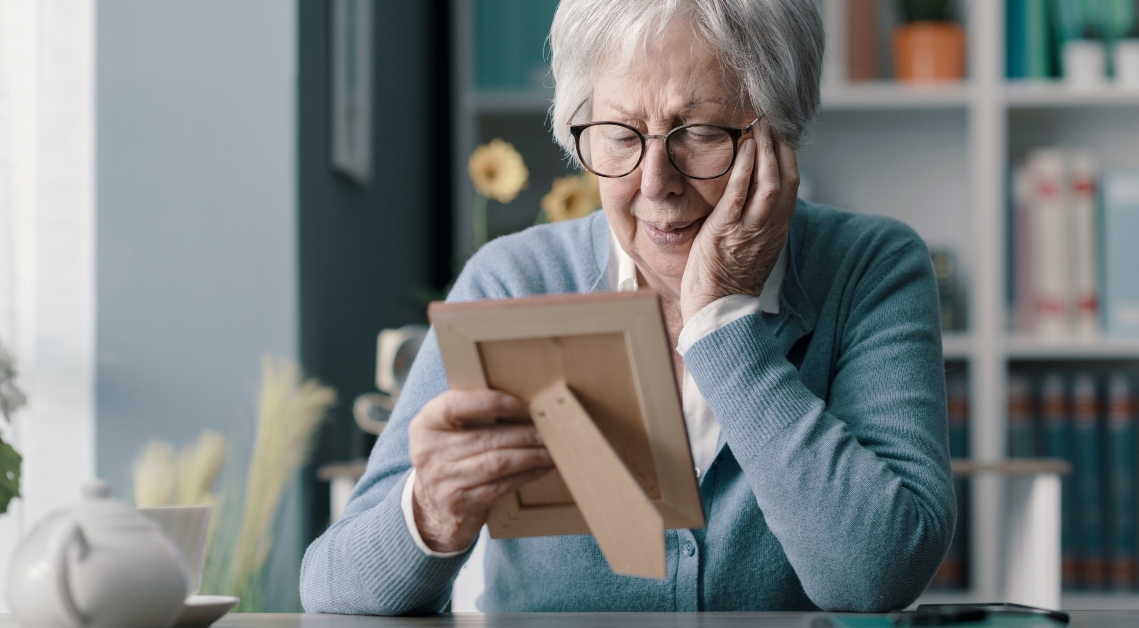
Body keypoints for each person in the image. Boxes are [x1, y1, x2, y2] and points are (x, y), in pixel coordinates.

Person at [301, 0, 954, 614]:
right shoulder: (514, 281)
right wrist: (431, 514)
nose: (655, 184)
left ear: (778, 133)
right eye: (619, 134)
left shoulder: (870, 267)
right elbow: (330, 588)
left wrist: (722, 324)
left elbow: (877, 575)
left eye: (697, 133)